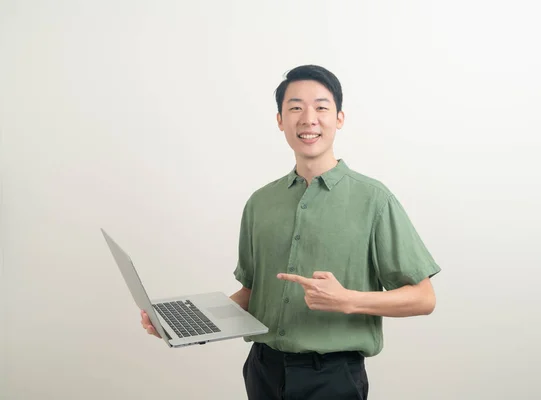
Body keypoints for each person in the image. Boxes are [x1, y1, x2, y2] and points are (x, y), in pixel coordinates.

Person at [141, 64, 441, 399]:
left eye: (321, 107)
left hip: (332, 377)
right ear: (280, 120)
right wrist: (190, 324)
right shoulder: (261, 202)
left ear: (339, 118)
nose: (308, 118)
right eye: (295, 107)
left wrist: (348, 300)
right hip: (263, 371)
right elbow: (253, 295)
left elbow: (423, 298)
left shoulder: (375, 200)